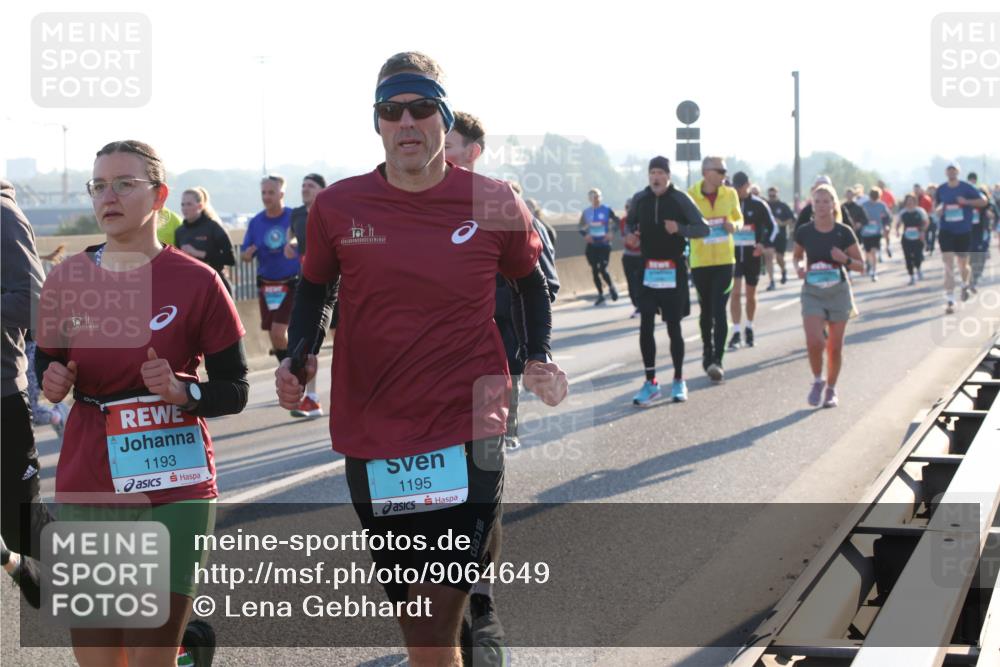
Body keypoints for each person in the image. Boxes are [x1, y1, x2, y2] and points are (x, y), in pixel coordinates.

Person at [275, 52, 567, 667]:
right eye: (392, 111)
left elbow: (530, 284)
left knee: (435, 616)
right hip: (373, 421)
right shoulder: (339, 207)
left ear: (444, 117)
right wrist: (300, 354)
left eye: (422, 109)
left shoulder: (491, 199)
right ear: (377, 124)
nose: (407, 122)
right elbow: (315, 288)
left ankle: (473, 618)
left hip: (473, 416)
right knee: (410, 590)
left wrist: (538, 356)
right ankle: (471, 621)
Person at [35, 140, 248, 667]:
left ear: (159, 196)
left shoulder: (198, 281)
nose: (109, 196)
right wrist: (53, 377)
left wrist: (185, 392)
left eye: (125, 183)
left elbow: (236, 387)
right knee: (101, 658)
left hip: (175, 481)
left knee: (149, 654)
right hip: (89, 477)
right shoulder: (67, 279)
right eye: (99, 185)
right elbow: (46, 362)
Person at [1, 179, 50, 608]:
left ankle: (169, 636)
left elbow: (36, 302)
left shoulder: (3, 215)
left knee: (25, 530)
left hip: (1, 400)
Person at [629, 156, 709, 405]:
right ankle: (650, 382)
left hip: (673, 271)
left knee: (674, 327)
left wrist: (680, 229)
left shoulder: (680, 199)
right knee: (646, 325)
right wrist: (632, 233)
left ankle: (678, 380)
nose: (655, 177)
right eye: (652, 172)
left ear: (668, 176)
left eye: (660, 173)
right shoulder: (640, 198)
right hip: (649, 270)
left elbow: (703, 228)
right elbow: (630, 222)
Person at [792, 184, 864, 408]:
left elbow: (861, 266)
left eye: (826, 201)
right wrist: (799, 267)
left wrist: (845, 259)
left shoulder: (843, 231)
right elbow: (796, 256)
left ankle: (831, 389)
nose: (822, 206)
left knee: (834, 347)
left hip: (838, 292)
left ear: (834, 205)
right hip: (812, 291)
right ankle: (817, 380)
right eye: (818, 201)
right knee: (814, 341)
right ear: (812, 205)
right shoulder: (805, 231)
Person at [688, 156, 743, 382]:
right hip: (700, 262)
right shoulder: (690, 195)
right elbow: (684, 224)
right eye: (720, 171)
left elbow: (739, 219)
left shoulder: (730, 194)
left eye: (725, 171)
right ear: (706, 172)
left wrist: (734, 225)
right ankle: (706, 351)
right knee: (706, 311)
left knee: (719, 309)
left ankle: (717, 360)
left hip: (724, 261)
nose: (724, 175)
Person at [283, 173, 331, 419]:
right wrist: (290, 244)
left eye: (310, 186)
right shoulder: (298, 213)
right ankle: (311, 398)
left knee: (346, 342)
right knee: (310, 342)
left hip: (335, 284)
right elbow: (292, 234)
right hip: (308, 284)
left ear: (323, 190)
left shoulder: (331, 210)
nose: (305, 189)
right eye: (302, 185)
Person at [241, 175, 300, 363]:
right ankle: (290, 365)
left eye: (271, 192)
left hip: (291, 282)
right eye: (263, 193)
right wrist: (247, 254)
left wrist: (295, 243)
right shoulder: (256, 222)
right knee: (274, 334)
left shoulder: (294, 217)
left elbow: (309, 241)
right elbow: (244, 255)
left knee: (278, 330)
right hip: (267, 285)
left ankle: (290, 368)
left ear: (281, 193)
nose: (266, 197)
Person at [729, 172, 777, 349]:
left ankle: (749, 327)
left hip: (752, 255)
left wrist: (762, 244)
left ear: (748, 185)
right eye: (736, 186)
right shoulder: (729, 203)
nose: (739, 190)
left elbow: (773, 227)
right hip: (733, 255)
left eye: (742, 186)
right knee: (735, 293)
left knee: (750, 294)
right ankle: (735, 331)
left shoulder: (759, 204)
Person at [935, 164, 988, 314]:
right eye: (949, 170)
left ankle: (965, 284)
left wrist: (966, 202)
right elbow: (937, 206)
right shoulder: (942, 189)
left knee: (963, 264)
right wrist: (939, 210)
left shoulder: (966, 187)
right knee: (948, 264)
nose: (951, 172)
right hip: (946, 230)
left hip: (963, 230)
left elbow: (984, 201)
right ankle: (950, 300)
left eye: (954, 170)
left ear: (958, 172)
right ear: (946, 172)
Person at [176, 186, 236, 295]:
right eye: (183, 204)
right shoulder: (179, 232)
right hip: (193, 289)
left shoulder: (213, 227)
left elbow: (230, 259)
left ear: (200, 206)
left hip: (216, 286)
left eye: (189, 204)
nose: (185, 208)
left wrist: (198, 253)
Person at [579, 187, 620, 305]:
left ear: (600, 197)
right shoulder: (586, 212)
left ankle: (612, 287)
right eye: (592, 196)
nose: (595, 198)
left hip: (604, 244)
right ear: (589, 199)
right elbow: (580, 227)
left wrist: (611, 232)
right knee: (595, 270)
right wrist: (585, 235)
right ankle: (600, 294)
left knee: (603, 268)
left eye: (597, 196)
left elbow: (617, 221)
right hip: (592, 245)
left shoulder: (607, 209)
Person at [894, 193, 929, 284]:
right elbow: (898, 223)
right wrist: (897, 230)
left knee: (917, 255)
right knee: (908, 257)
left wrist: (922, 231)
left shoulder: (920, 211)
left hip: (918, 236)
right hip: (907, 237)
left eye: (911, 201)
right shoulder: (903, 212)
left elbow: (926, 222)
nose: (910, 203)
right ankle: (911, 275)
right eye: (908, 201)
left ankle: (918, 268)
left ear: (915, 201)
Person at [859, 187, 892, 281]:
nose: (874, 197)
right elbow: (859, 217)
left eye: (876, 196)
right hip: (865, 232)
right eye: (873, 195)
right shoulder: (864, 205)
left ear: (879, 196)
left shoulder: (882, 205)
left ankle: (874, 271)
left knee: (874, 251)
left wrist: (886, 225)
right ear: (870, 196)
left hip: (877, 232)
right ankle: (869, 263)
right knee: (868, 252)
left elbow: (888, 217)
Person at [765, 186, 795, 289]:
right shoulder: (765, 205)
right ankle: (771, 281)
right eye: (770, 195)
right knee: (768, 256)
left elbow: (791, 219)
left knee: (779, 257)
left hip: (781, 235)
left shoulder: (783, 206)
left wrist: (782, 223)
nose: (772, 197)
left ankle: (783, 270)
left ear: (777, 194)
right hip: (769, 235)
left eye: (774, 195)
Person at [620, 197, 645, 317]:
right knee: (631, 283)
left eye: (631, 208)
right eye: (627, 208)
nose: (629, 210)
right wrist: (630, 240)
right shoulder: (623, 221)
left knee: (641, 282)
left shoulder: (643, 220)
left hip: (641, 256)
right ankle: (636, 305)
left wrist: (637, 241)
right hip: (628, 256)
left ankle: (642, 306)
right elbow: (624, 237)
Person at [925, 184, 939, 255]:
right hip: (927, 217)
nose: (932, 191)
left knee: (933, 232)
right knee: (926, 232)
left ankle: (932, 248)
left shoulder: (938, 198)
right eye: (930, 189)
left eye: (933, 189)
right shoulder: (925, 198)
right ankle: (927, 244)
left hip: (935, 217)